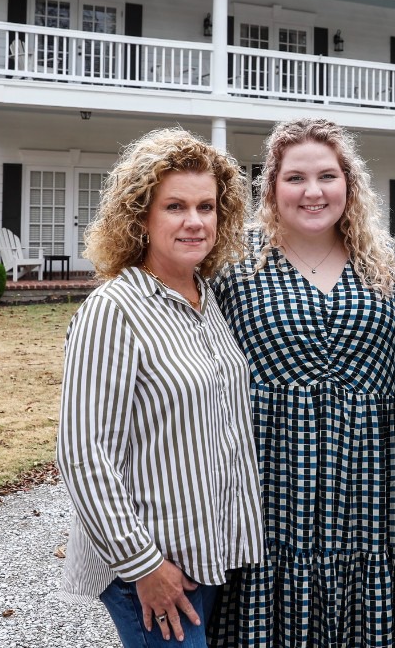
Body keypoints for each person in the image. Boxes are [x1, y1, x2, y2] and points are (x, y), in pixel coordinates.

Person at [210, 117, 395, 647]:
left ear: (349, 184)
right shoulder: (234, 267)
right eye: (295, 178)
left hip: (375, 486)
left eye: (327, 176)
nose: (313, 192)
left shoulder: (391, 266)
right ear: (272, 187)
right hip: (270, 485)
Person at [57, 128, 263, 648]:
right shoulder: (114, 310)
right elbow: (82, 452)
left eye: (206, 207)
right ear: (141, 217)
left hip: (203, 559)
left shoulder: (207, 300)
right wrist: (144, 565)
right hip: (151, 568)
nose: (195, 221)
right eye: (175, 206)